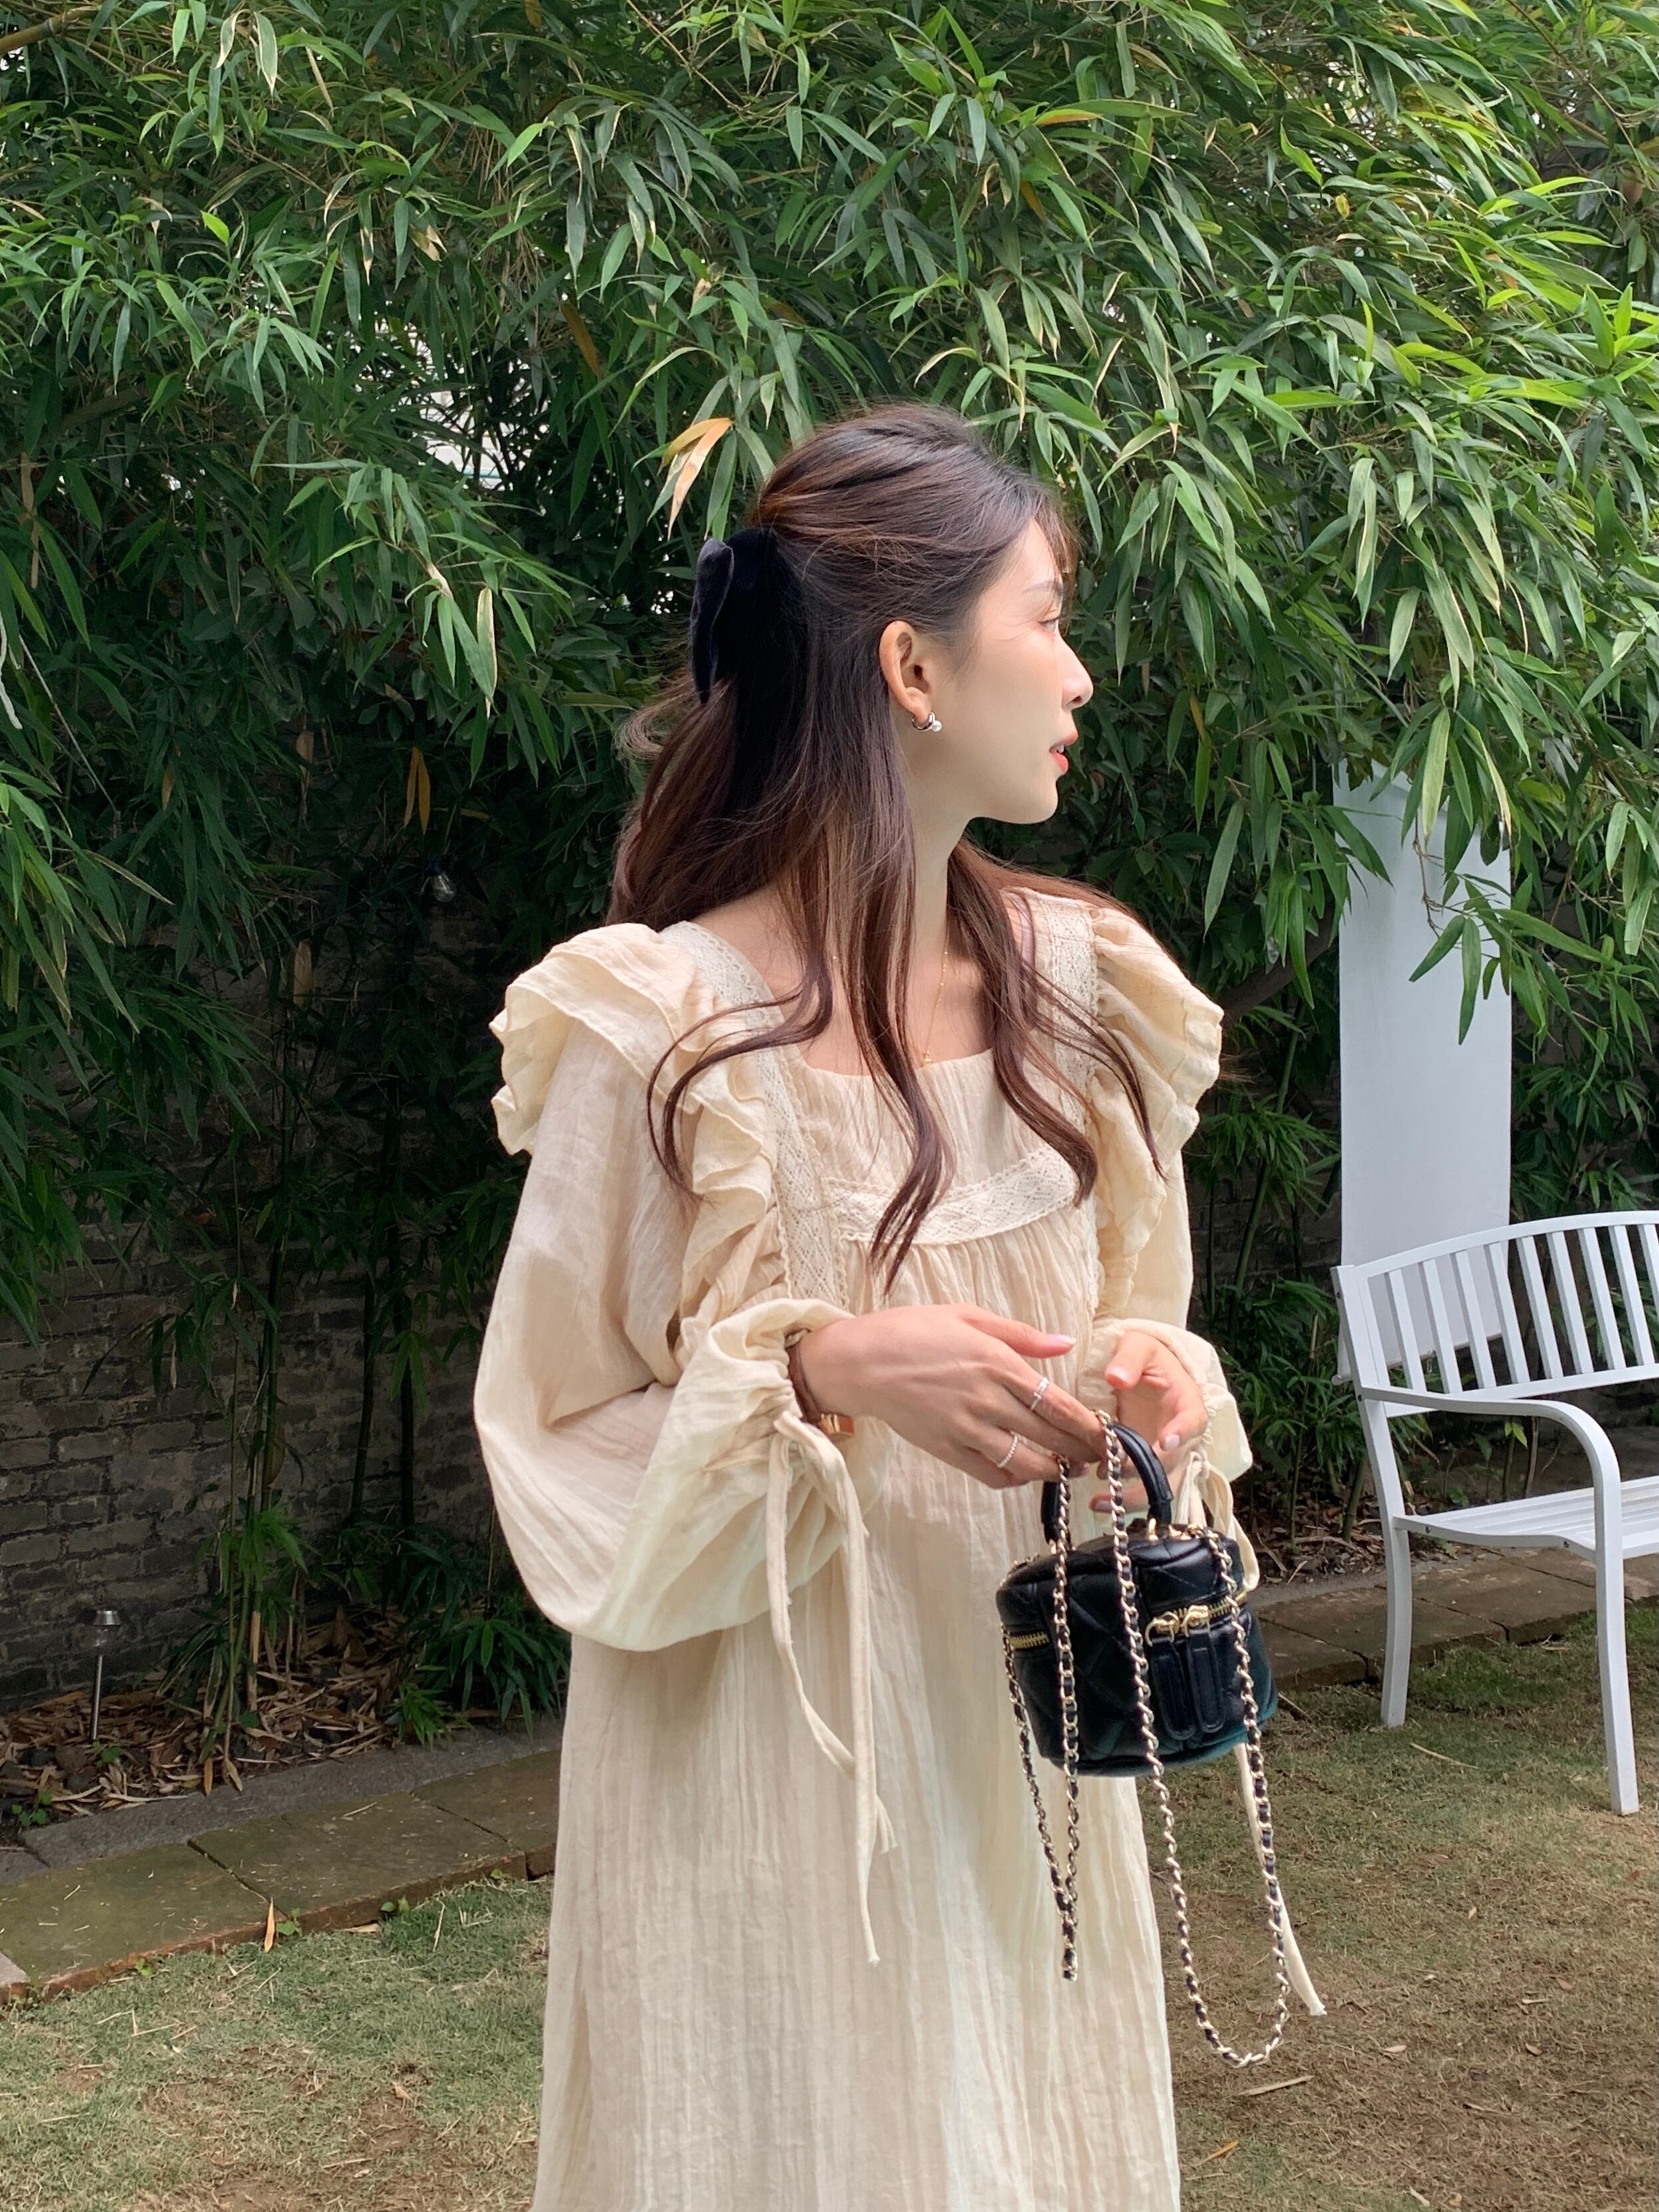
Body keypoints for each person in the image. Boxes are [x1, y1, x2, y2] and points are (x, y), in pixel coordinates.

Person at [474, 402, 1262, 2211]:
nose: (1079, 673)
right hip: (763, 1778)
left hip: (1015, 1758)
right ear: (913, 667)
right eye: (1046, 618)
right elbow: (550, 1433)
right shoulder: (662, 1029)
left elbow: (1140, 1316)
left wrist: (1145, 1385)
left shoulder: (1082, 994)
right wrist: (822, 1366)